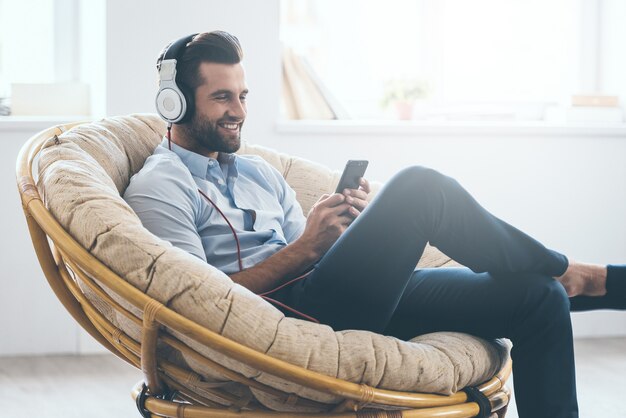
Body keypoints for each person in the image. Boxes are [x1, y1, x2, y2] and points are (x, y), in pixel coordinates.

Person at [123, 31, 626, 418]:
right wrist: (305, 250)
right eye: (223, 98)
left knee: (538, 297)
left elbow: (311, 253)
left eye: (244, 96)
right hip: (290, 320)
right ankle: (575, 271)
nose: (239, 112)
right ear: (177, 103)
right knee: (419, 186)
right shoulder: (161, 185)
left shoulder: (257, 170)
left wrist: (341, 234)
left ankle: (561, 277)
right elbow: (195, 303)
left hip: (337, 295)